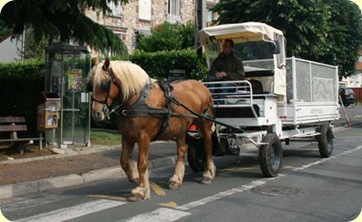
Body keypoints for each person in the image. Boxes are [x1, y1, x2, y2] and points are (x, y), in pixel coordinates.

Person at [208, 39, 245, 104]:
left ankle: (220, 106)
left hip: (231, 84)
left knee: (223, 85)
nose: (224, 48)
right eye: (223, 46)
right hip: (218, 81)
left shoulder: (237, 61)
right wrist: (216, 74)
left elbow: (241, 75)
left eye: (226, 46)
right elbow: (212, 70)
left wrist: (226, 74)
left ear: (231, 48)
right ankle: (210, 103)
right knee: (211, 82)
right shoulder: (218, 59)